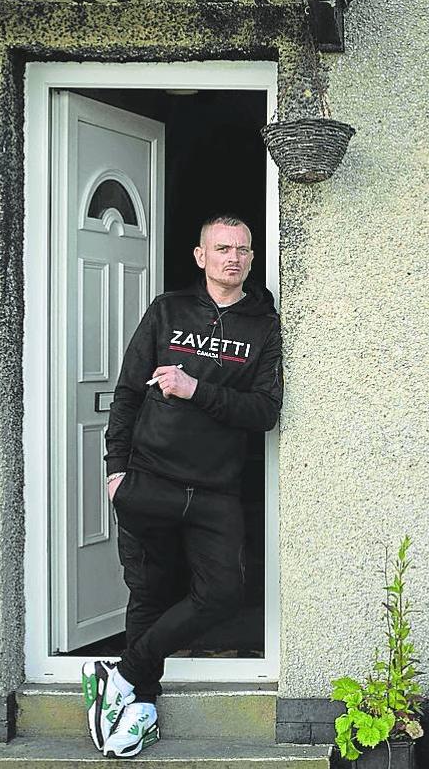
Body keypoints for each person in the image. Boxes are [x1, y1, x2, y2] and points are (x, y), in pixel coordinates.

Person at [82, 214, 283, 758]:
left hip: (216, 488)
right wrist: (115, 471)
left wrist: (196, 389)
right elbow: (127, 391)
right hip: (151, 478)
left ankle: (122, 673)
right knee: (149, 592)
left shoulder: (264, 326)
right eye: (222, 249)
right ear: (200, 256)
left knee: (221, 594)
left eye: (242, 250)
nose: (233, 258)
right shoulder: (167, 312)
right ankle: (140, 706)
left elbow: (264, 410)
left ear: (250, 258)